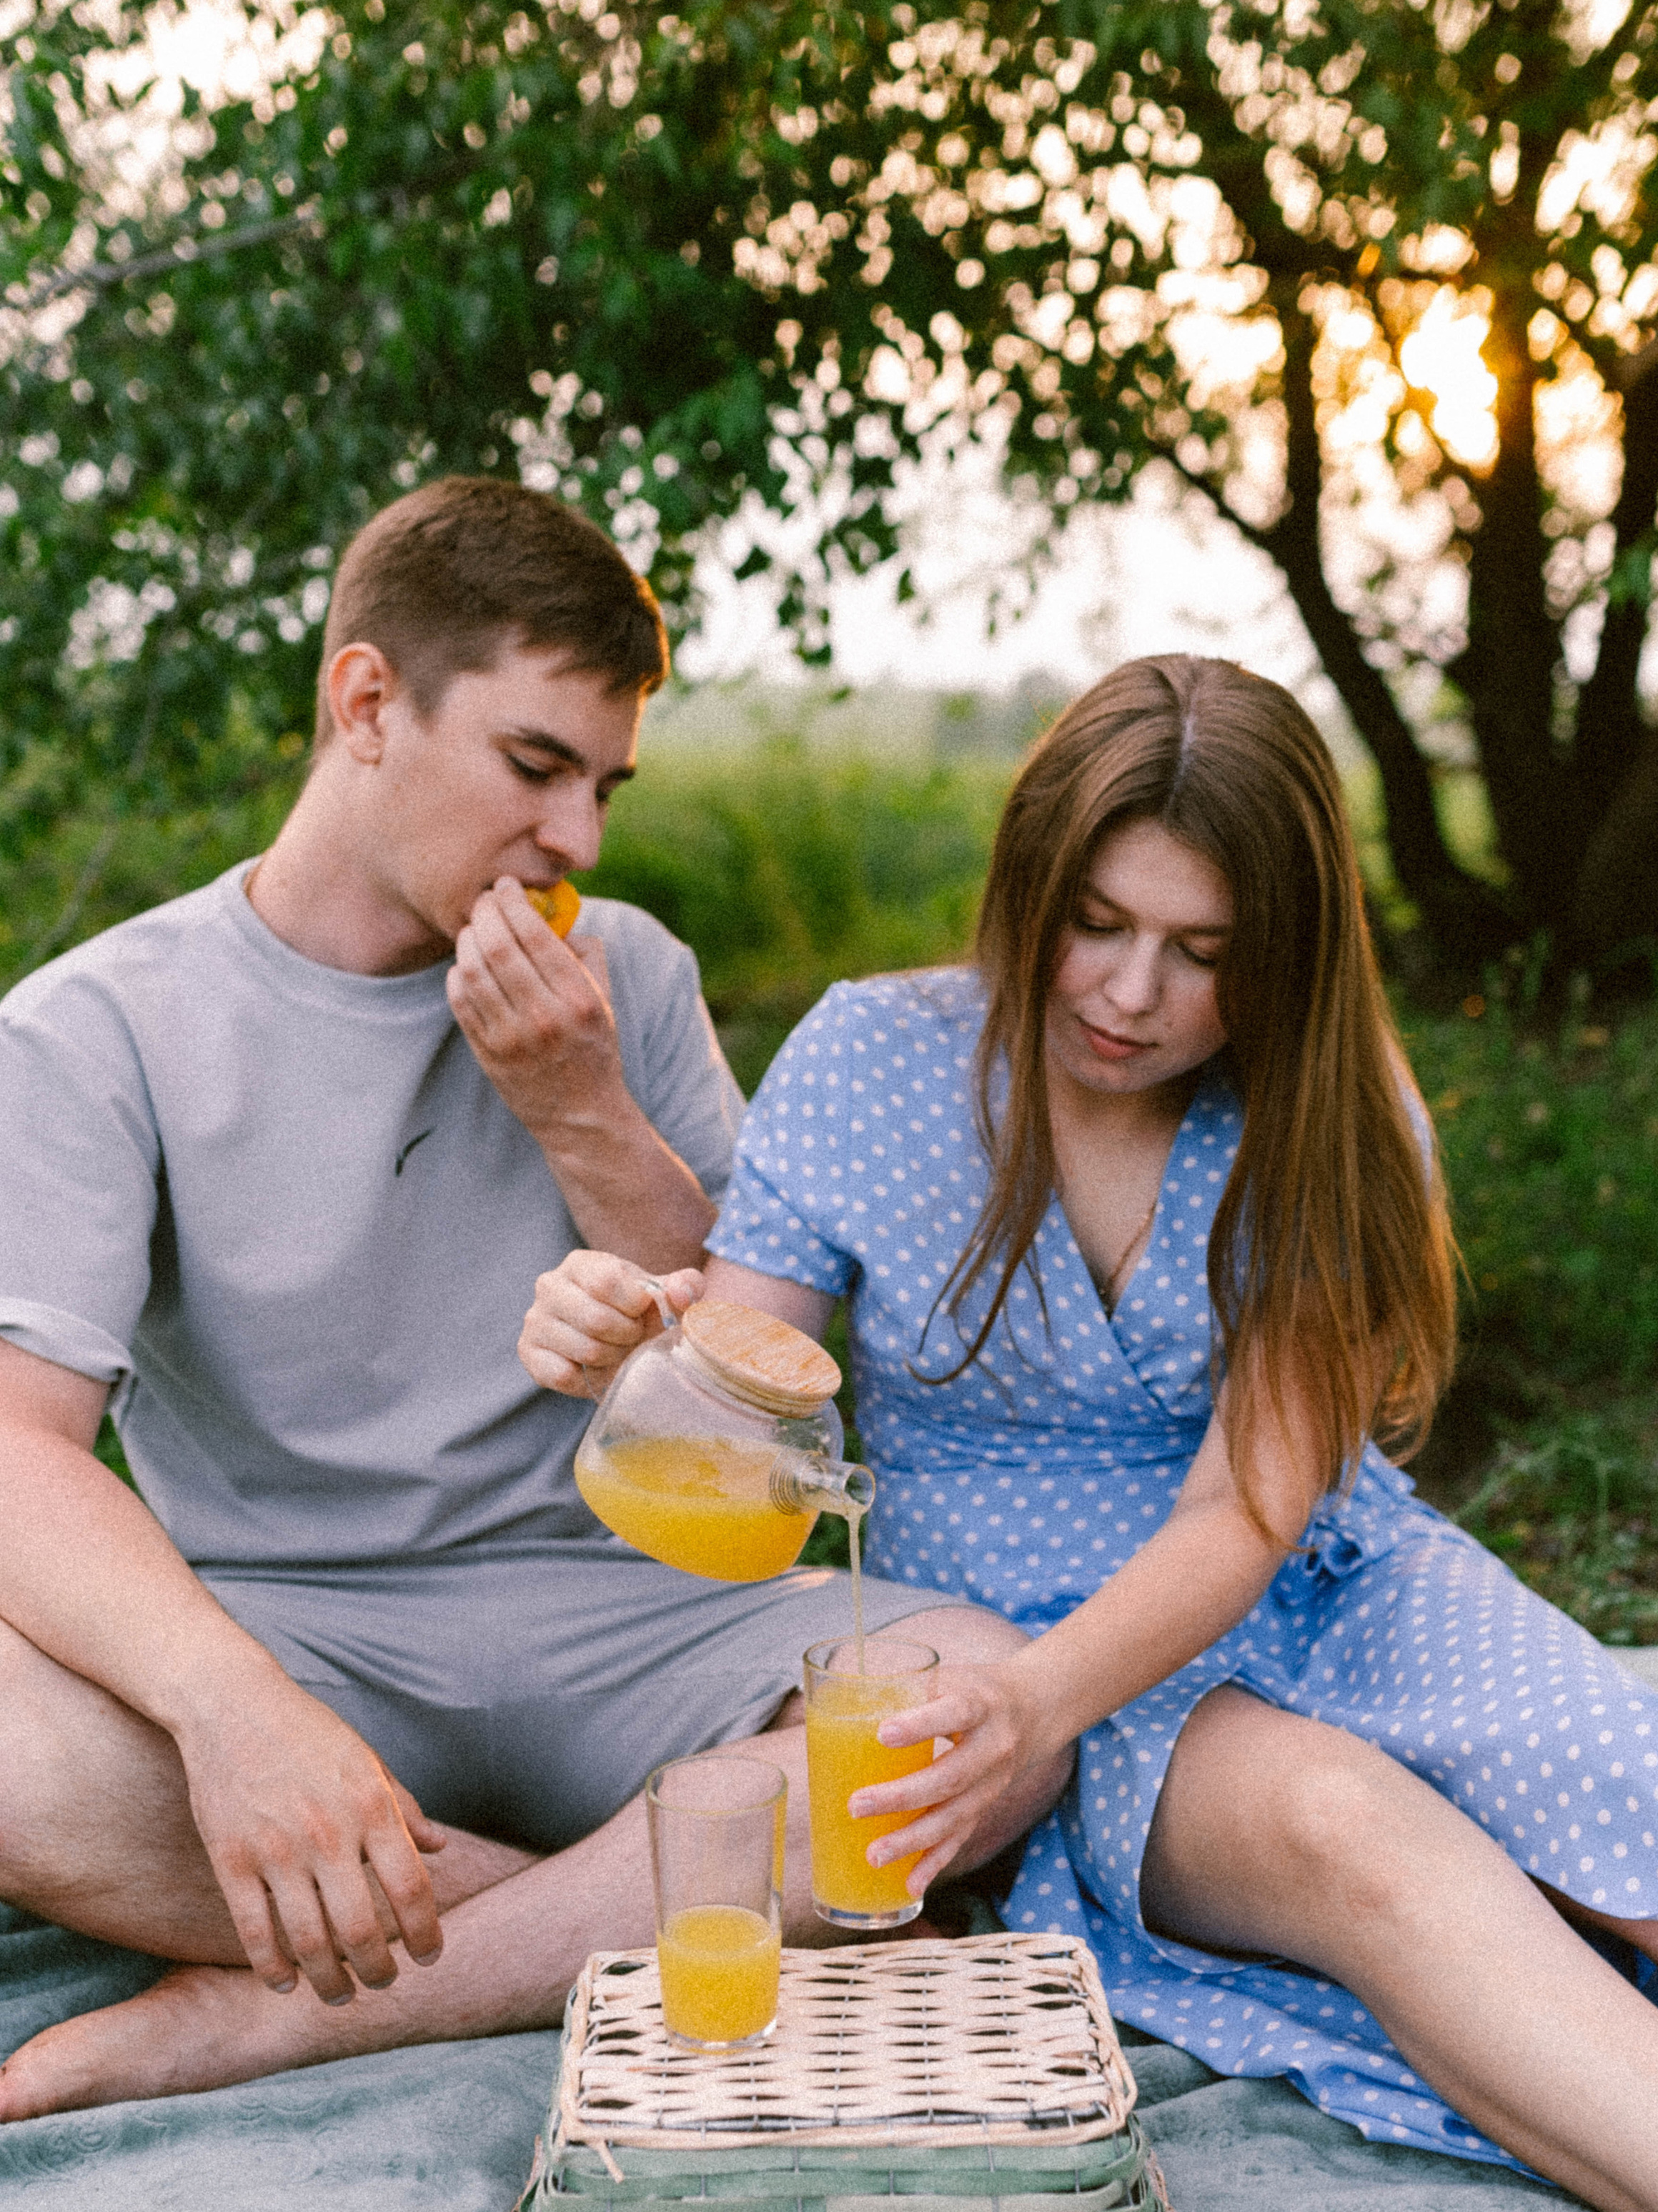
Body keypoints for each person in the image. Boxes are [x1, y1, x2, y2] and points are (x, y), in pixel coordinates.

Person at [522, 654, 1658, 2212]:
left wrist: (1027, 1707)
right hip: (1027, 1644)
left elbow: (1243, 1513)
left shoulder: (1328, 1119)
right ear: (1029, 887)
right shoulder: (871, 1057)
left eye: (1203, 953)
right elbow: (741, 1375)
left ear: (1278, 961)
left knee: (1632, 1770)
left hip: (1301, 1571)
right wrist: (631, 1334)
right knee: (1349, 1833)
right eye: (1097, 921)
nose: (1131, 992)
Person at [0, 476, 1051, 2121]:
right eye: (535, 767)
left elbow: (767, 1403)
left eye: (603, 787)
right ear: (366, 703)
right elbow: (18, 1452)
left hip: (628, 1615)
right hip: (297, 1629)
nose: (576, 838)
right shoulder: (92, 1029)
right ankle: (621, 1898)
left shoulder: (623, 974)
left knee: (982, 1703)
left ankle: (316, 2007)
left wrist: (581, 1110)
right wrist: (234, 1716)